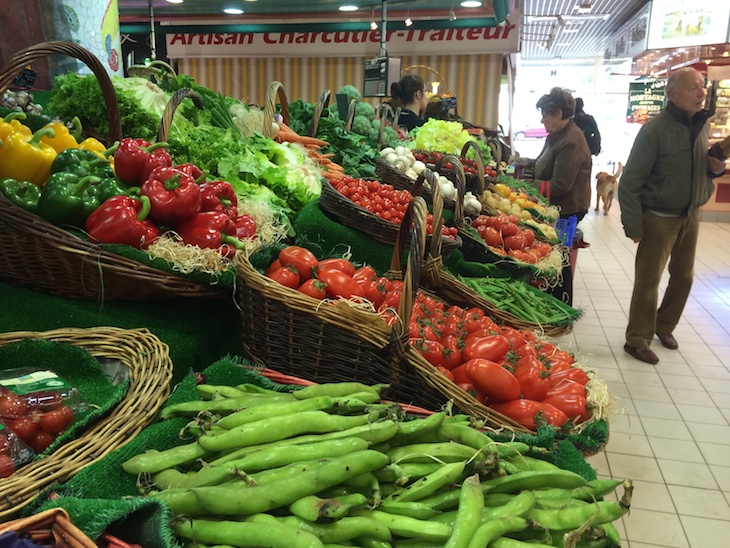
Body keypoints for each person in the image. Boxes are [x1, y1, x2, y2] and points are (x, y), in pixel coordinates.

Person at [618, 67, 727, 365]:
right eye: (694, 88)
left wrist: (714, 170)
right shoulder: (654, 130)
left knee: (684, 277)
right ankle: (637, 339)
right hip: (658, 217)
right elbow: (630, 183)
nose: (702, 92)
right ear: (673, 94)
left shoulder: (701, 124)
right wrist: (633, 224)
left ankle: (664, 326)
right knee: (648, 281)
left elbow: (700, 169)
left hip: (690, 214)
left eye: (702, 86)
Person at [533, 87, 593, 305]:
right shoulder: (558, 135)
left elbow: (560, 185)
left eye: (545, 114)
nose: (542, 119)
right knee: (556, 255)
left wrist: (528, 185)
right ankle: (554, 301)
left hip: (566, 209)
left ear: (558, 113)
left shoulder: (571, 141)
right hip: (558, 207)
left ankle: (562, 305)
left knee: (560, 258)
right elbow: (544, 164)